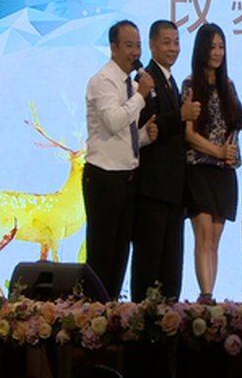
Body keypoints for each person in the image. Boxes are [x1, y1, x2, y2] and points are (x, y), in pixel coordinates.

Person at [83, 20, 157, 299]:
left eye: (138, 46)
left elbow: (125, 135)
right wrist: (141, 96)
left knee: (120, 252)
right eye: (129, 46)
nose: (135, 52)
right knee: (102, 252)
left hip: (126, 176)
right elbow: (113, 122)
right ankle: (93, 311)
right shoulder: (103, 81)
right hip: (104, 175)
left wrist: (145, 136)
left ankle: (111, 308)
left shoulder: (130, 85)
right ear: (113, 48)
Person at [131, 20, 201, 302]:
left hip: (173, 190)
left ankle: (169, 318)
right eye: (166, 42)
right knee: (149, 262)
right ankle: (140, 318)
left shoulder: (171, 81)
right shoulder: (144, 80)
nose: (173, 48)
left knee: (171, 266)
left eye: (176, 42)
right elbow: (149, 125)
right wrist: (181, 115)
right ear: (151, 45)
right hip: (151, 188)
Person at [182, 23, 242, 303]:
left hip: (224, 171)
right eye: (212, 47)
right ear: (201, 50)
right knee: (203, 235)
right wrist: (217, 151)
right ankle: (205, 295)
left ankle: (210, 294)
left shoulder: (228, 85)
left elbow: (236, 124)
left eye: (221, 47)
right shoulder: (190, 85)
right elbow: (189, 134)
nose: (217, 52)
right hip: (199, 168)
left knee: (215, 239)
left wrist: (230, 152)